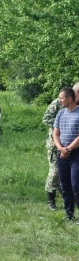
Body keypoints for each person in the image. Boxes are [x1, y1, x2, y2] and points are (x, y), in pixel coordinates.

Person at [53, 87, 79, 221]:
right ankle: (69, 215)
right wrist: (61, 148)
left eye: (62, 98)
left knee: (76, 185)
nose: (60, 100)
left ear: (70, 99)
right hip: (62, 153)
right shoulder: (61, 113)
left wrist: (68, 149)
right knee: (65, 186)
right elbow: (55, 133)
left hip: (75, 154)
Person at [43, 96, 62, 210]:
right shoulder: (58, 102)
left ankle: (65, 194)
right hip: (55, 144)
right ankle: (50, 199)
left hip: (71, 143)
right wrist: (62, 123)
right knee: (55, 172)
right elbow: (46, 118)